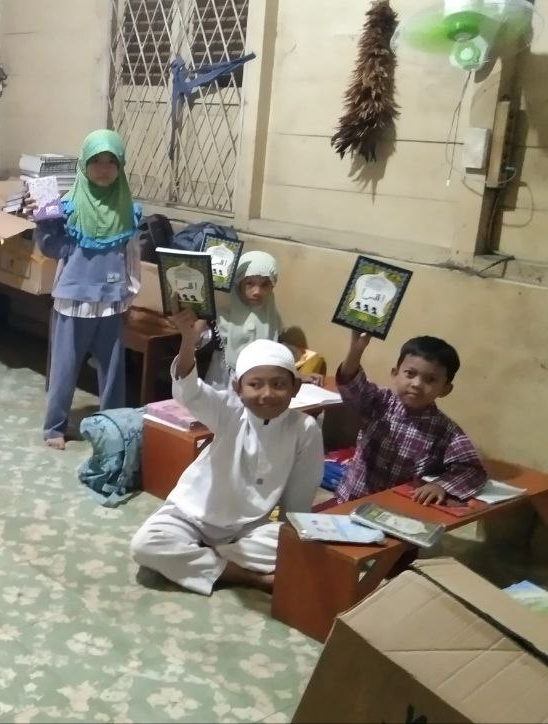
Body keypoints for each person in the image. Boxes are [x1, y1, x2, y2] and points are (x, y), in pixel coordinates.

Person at [130, 311, 323, 594]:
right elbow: (189, 391)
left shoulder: (305, 429)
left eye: (279, 384)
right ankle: (247, 576)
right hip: (193, 515)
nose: (267, 394)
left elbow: (297, 505)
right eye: (255, 384)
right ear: (238, 388)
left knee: (296, 542)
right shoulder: (230, 411)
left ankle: (199, 558)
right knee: (145, 544)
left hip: (249, 529)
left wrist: (289, 541)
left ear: (295, 387)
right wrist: (188, 340)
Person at [35, 129, 143, 450]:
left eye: (111, 162)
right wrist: (45, 222)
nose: (104, 169)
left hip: (112, 302)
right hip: (73, 301)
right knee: (64, 368)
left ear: (121, 166)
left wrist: (130, 293)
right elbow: (51, 248)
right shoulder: (67, 206)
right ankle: (54, 427)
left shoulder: (127, 209)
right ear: (84, 164)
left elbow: (132, 257)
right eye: (96, 161)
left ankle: (114, 427)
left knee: (113, 371)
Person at [334, 331, 486, 504]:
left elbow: (473, 471)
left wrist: (440, 486)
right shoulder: (379, 402)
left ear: (445, 389)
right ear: (395, 374)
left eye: (430, 380)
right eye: (410, 374)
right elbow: (350, 384)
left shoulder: (447, 432)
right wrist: (356, 350)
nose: (417, 384)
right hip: (351, 500)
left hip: (398, 510)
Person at [202, 251, 283, 388]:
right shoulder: (218, 317)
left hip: (260, 386)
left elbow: (275, 353)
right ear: (238, 284)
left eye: (265, 285)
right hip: (222, 384)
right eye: (249, 283)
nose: (257, 292)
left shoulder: (271, 317)